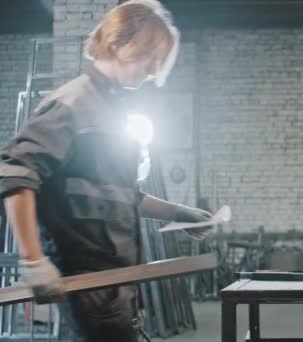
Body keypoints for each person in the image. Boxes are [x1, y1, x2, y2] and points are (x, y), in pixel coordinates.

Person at [0, 1, 210, 341]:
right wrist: (32, 259)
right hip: (87, 279)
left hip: (116, 278)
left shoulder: (111, 112)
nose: (153, 72)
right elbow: (17, 173)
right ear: (117, 44)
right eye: (149, 59)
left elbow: (121, 195)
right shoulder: (72, 105)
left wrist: (180, 213)